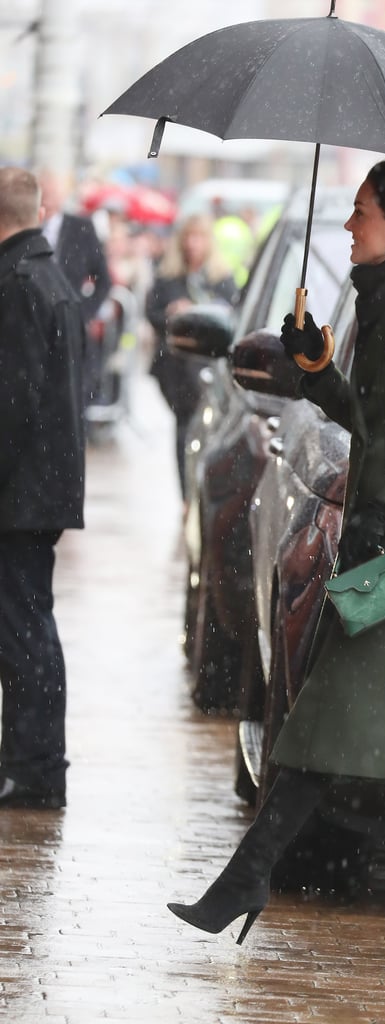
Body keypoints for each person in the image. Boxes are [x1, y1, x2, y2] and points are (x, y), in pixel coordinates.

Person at [167, 157, 385, 961]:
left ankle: (245, 880)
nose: (347, 226)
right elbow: (372, 421)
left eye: (358, 213)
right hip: (380, 531)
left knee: (324, 715)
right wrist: (316, 368)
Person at [0, 167, 86, 809]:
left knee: (24, 630)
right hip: (36, 490)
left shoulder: (22, 282)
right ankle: (34, 762)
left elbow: (13, 403)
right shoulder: (43, 275)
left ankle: (33, 768)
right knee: (29, 627)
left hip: (21, 495)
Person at [145, 214, 239, 499]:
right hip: (176, 367)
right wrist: (173, 315)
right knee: (184, 430)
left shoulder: (221, 278)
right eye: (188, 238)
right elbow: (152, 313)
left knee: (207, 432)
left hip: (208, 366)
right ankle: (186, 494)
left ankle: (201, 491)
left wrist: (199, 307)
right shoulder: (169, 276)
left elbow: (231, 314)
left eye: (199, 238)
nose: (193, 245)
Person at [37, 170, 112, 404]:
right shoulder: (25, 230)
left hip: (71, 329)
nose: (47, 199)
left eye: (51, 193)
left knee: (73, 399)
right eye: (42, 193)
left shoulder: (81, 228)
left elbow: (103, 278)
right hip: (34, 329)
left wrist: (84, 312)